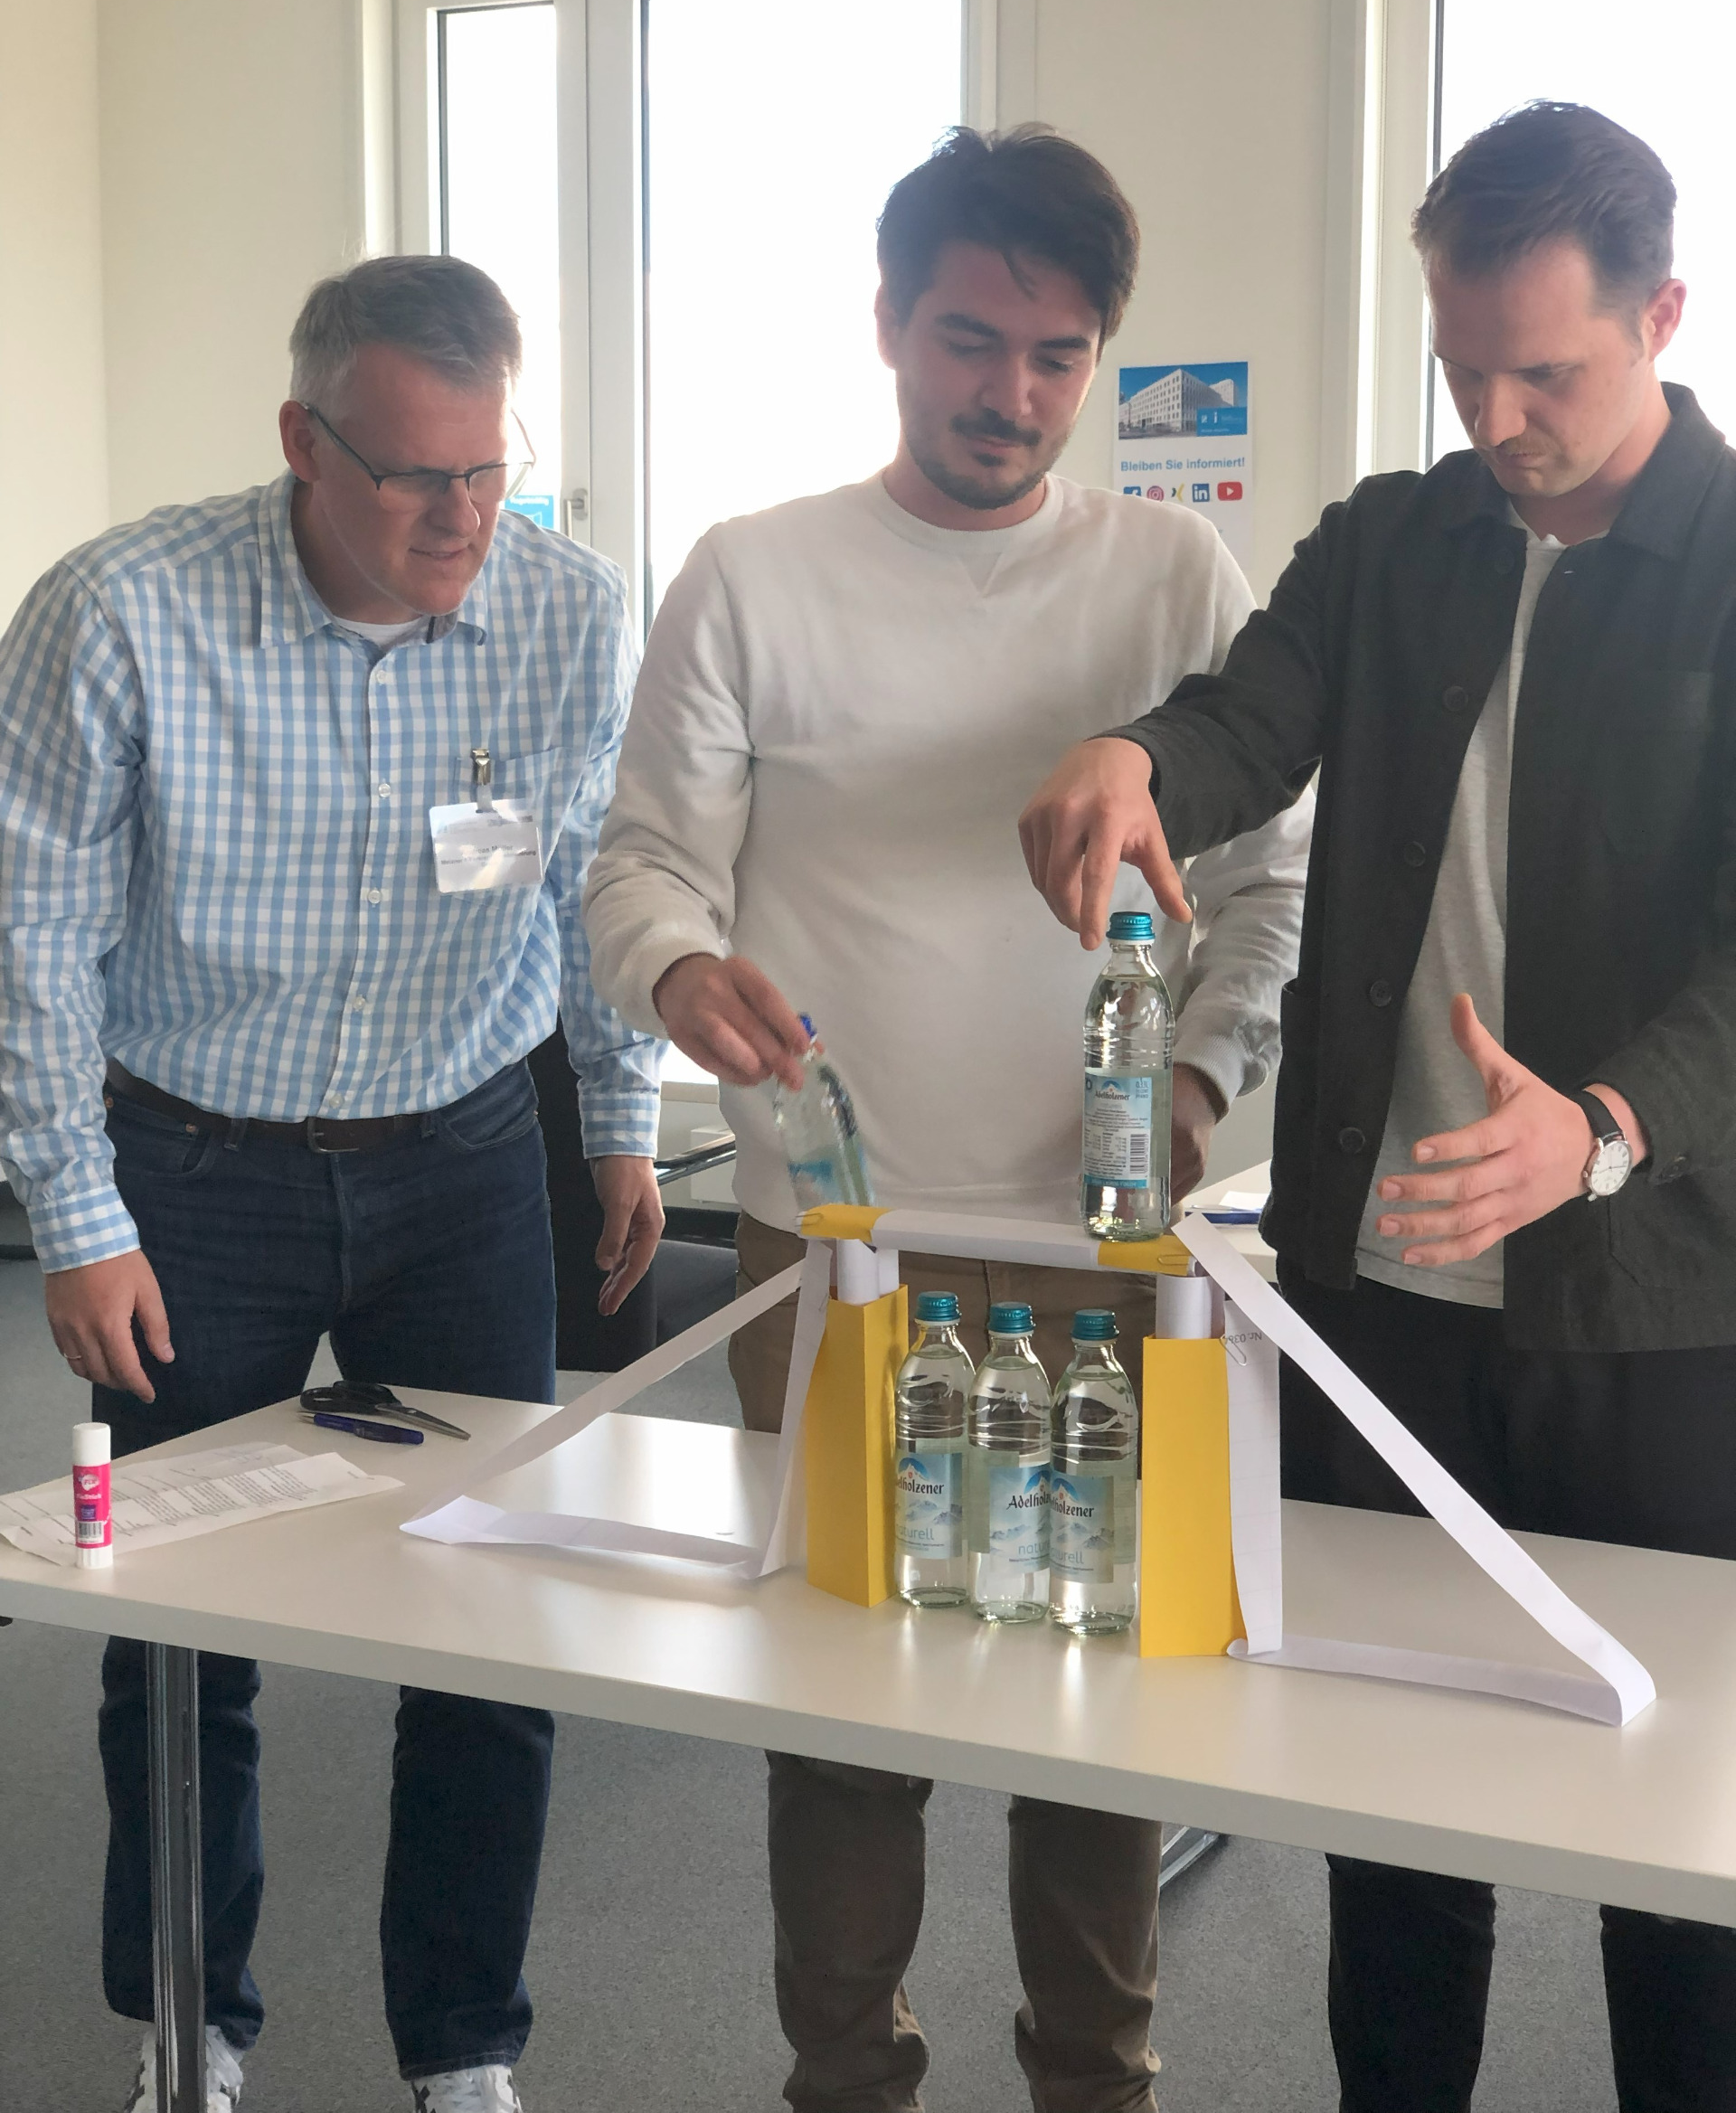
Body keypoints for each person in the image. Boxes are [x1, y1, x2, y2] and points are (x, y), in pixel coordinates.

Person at [583, 125, 1310, 2113]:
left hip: (1107, 1236)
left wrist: (1197, 1076)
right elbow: (644, 863)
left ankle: (1099, 2077)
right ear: (891, 324)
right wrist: (677, 973)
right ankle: (847, 2076)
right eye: (972, 340)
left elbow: (1267, 879)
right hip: (835, 1244)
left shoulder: (1172, 574)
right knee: (846, 1706)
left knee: (1103, 1703)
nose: (1012, 392)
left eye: (1058, 354)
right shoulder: (754, 569)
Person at [1019, 100, 1736, 2113]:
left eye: (1546, 372)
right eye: (1462, 365)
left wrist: (1600, 1125)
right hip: (1388, 1297)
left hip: (1661, 1317)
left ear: (1663, 316)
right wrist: (1135, 761)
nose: (1497, 418)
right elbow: (1246, 720)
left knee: (1682, 1834)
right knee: (1394, 1805)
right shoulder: (1395, 541)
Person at [0, 255, 663, 2113]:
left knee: (492, 1609)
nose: (461, 520)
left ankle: (462, 2041)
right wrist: (78, 1216)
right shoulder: (121, 614)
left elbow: (589, 881)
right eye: (413, 477)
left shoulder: (566, 611)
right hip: (189, 1172)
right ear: (303, 442)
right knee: (177, 1621)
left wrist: (618, 1114)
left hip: (464, 1158)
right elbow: (32, 937)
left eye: (489, 470)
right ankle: (190, 2019)